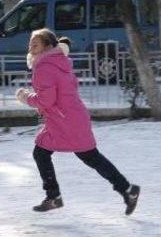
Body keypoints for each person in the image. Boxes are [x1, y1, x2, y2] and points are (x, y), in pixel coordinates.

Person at [15, 29, 140, 215]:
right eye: (30, 44)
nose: (31, 48)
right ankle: (127, 190)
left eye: (36, 44)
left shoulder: (43, 67)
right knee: (90, 157)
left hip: (64, 121)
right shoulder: (60, 62)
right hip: (72, 117)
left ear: (48, 47)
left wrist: (25, 97)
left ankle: (54, 197)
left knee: (42, 153)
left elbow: (46, 100)